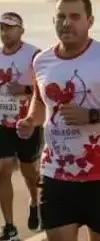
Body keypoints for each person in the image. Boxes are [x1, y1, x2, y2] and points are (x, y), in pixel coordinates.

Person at [18, 0, 100, 241]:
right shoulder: (41, 61)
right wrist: (31, 120)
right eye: (61, 17)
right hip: (55, 173)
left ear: (90, 21)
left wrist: (92, 115)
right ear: (53, 21)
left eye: (75, 17)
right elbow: (40, 100)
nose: (67, 23)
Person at [0, 12, 42, 239]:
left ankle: (35, 201)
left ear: (21, 31)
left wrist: (25, 89)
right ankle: (9, 227)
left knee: (29, 171)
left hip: (27, 122)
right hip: (2, 122)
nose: (5, 32)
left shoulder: (34, 55)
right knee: (2, 168)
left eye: (9, 27)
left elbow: (47, 87)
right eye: (2, 28)